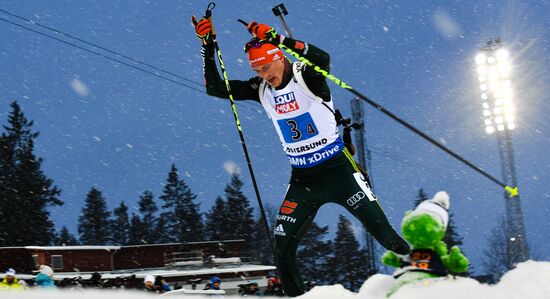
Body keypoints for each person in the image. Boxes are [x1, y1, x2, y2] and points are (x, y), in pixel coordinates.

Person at [193, 16, 410, 297]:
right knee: (281, 251)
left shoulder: (305, 77)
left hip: (338, 172)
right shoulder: (261, 90)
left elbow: (323, 58)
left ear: (279, 58)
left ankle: (428, 277)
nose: (263, 75)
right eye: (257, 70)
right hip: (303, 179)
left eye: (266, 67)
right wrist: (207, 46)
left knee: (386, 236)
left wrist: (278, 38)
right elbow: (215, 87)